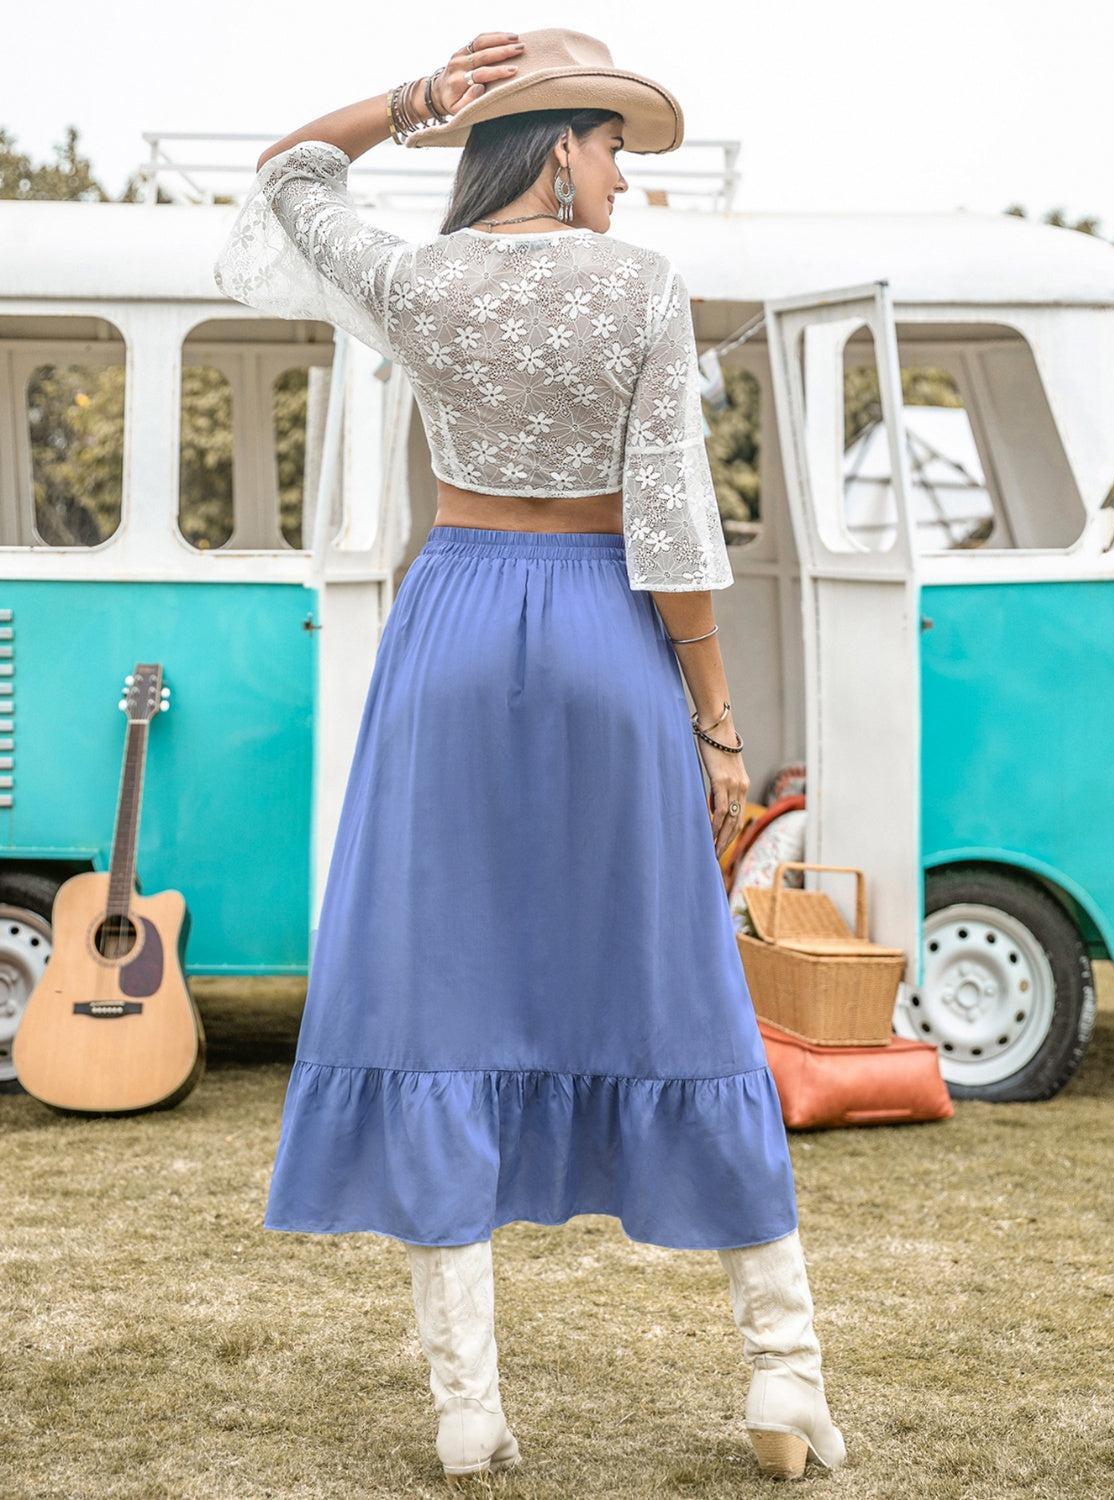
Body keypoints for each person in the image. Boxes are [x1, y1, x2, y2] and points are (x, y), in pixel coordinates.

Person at [214, 26, 847, 1487]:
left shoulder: (417, 283)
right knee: (672, 977)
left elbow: (287, 175)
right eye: (614, 144)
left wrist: (414, 102)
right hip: (600, 636)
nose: (625, 175)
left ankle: (467, 1405)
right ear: (558, 145)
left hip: (451, 637)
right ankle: (781, 1376)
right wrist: (717, 717)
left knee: (443, 983)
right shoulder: (636, 289)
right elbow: (672, 517)